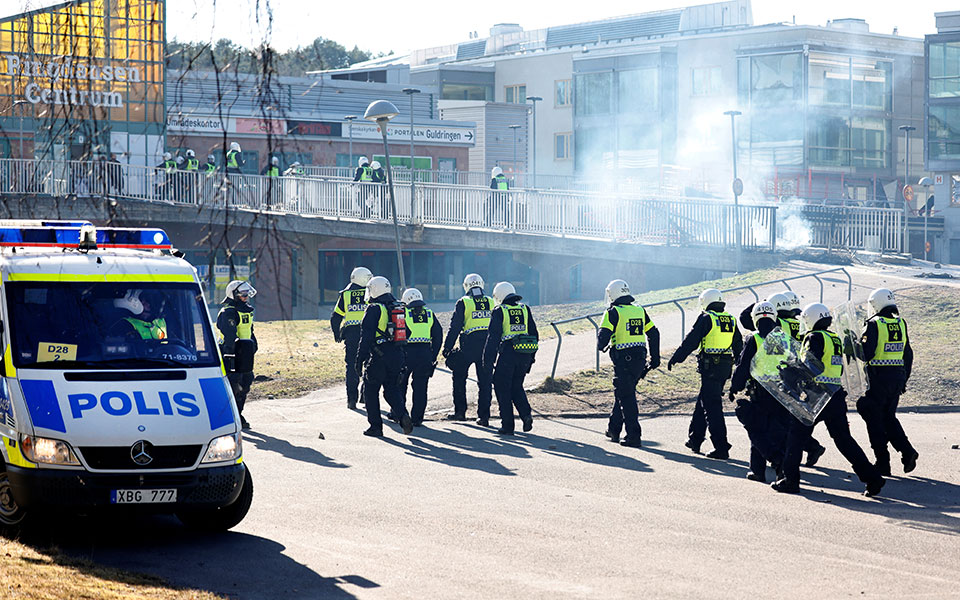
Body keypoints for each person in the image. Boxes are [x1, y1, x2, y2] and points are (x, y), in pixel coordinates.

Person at [772, 303, 885, 496]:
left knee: (796, 438)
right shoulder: (834, 338)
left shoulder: (813, 337)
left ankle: (790, 481)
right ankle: (872, 478)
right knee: (844, 440)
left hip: (815, 396)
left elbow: (812, 366)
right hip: (835, 395)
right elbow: (836, 368)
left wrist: (791, 371)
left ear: (810, 319)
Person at [742, 292, 827, 466]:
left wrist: (761, 305)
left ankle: (788, 458)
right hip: (798, 374)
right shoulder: (799, 323)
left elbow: (745, 319)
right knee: (786, 421)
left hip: (775, 378)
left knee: (775, 424)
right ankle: (806, 449)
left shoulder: (777, 325)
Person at [668, 288, 741, 459]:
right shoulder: (731, 319)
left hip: (710, 368)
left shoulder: (707, 317)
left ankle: (721, 446)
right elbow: (738, 347)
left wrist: (677, 357)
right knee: (704, 401)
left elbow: (691, 340)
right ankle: (695, 439)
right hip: (724, 368)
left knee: (712, 407)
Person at [857, 288, 918, 476]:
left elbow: (868, 353)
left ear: (875, 304)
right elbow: (908, 353)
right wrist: (904, 379)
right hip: (897, 377)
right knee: (888, 417)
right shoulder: (900, 323)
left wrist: (854, 346)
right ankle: (907, 451)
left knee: (871, 415)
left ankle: (883, 462)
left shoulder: (874, 324)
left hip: (879, 379)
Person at [729, 302, 792, 482]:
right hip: (781, 391)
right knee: (778, 431)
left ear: (755, 319)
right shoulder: (784, 338)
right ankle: (760, 470)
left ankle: (774, 464)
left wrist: (735, 387)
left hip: (761, 392)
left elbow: (743, 366)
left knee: (756, 430)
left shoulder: (753, 338)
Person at [597, 279, 660, 447]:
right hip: (639, 359)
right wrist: (655, 358)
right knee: (624, 393)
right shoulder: (639, 310)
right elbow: (654, 333)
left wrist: (601, 344)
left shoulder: (613, 312)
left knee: (626, 396)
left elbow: (603, 336)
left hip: (623, 360)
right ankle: (613, 429)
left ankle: (633, 435)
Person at [355, 276, 413, 437]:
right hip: (397, 355)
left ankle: (376, 427)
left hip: (378, 357)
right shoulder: (397, 307)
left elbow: (365, 337)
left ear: (374, 289)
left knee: (371, 391)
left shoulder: (374, 308)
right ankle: (403, 416)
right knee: (391, 390)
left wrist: (359, 360)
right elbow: (407, 332)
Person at [483, 281, 538, 435]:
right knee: (516, 386)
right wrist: (531, 358)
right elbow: (535, 334)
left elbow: (493, 339)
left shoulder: (500, 310)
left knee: (502, 388)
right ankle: (526, 415)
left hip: (508, 354)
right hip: (525, 354)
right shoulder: (525, 309)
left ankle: (507, 425)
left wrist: (487, 361)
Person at [442, 273, 495, 425]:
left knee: (459, 378)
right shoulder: (492, 301)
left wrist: (447, 348)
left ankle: (460, 412)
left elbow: (455, 327)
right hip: (487, 345)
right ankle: (484, 417)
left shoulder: (463, 302)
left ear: (466, 286)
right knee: (485, 382)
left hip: (469, 345)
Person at [217, 280, 258, 430]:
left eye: (247, 294)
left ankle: (238, 413)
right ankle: (231, 416)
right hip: (231, 353)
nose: (246, 297)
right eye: (243, 294)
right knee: (234, 383)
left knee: (246, 381)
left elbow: (249, 329)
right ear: (234, 295)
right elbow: (229, 336)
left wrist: (253, 344)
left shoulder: (247, 310)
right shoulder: (229, 312)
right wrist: (231, 355)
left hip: (245, 351)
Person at [330, 266, 372, 409]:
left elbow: (335, 317)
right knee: (369, 364)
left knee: (352, 366)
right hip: (369, 333)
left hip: (352, 335)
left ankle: (351, 400)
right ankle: (365, 396)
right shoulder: (372, 292)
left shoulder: (346, 295)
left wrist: (337, 334)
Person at [400, 287, 443, 426]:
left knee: (400, 384)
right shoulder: (429, 314)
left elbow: (400, 334)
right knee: (421, 387)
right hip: (425, 353)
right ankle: (417, 418)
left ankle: (400, 414)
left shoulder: (403, 313)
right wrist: (433, 355)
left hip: (407, 353)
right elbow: (438, 335)